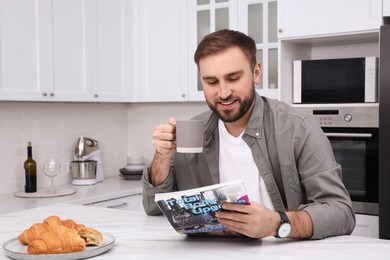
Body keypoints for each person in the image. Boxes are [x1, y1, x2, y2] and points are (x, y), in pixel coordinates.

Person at [142, 29, 355, 240]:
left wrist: (276, 223)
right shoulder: (194, 129)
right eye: (212, 82)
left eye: (233, 78)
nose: (223, 93)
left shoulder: (297, 128)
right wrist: (162, 156)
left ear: (256, 73)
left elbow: (341, 212)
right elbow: (153, 207)